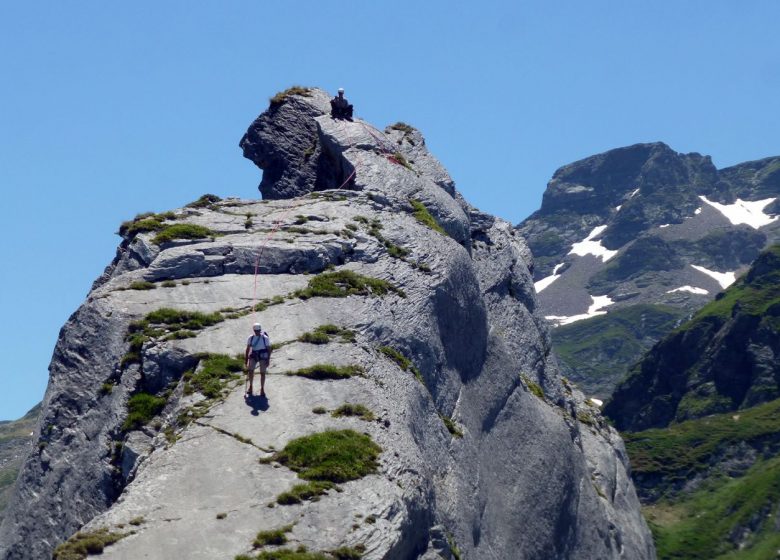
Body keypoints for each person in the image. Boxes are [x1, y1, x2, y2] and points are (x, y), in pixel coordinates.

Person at [245, 323, 272, 397]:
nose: (257, 332)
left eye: (258, 330)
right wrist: (246, 359)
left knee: (262, 373)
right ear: (254, 330)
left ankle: (262, 389)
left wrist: (268, 359)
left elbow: (269, 349)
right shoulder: (251, 338)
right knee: (251, 371)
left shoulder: (265, 338)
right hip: (255, 355)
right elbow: (247, 349)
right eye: (256, 330)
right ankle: (251, 386)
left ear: (260, 330)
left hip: (262, 355)